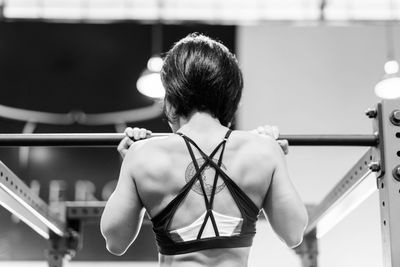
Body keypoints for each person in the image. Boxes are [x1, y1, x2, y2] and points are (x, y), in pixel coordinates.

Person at [100, 33, 308, 267]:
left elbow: (115, 241)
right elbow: (294, 234)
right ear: (231, 98)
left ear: (170, 99)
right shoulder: (263, 150)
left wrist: (130, 162)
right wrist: (275, 156)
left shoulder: (143, 154)